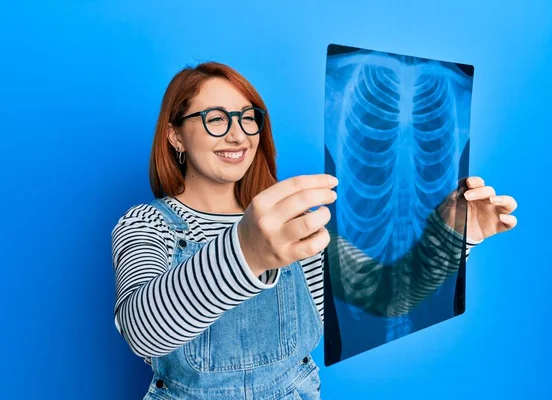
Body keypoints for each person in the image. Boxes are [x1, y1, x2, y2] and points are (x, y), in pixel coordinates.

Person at [111, 61, 518, 400]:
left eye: (247, 118)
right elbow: (142, 331)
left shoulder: (293, 219)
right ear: (174, 135)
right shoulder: (148, 225)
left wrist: (453, 235)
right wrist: (245, 253)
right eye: (215, 119)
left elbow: (384, 295)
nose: (237, 134)